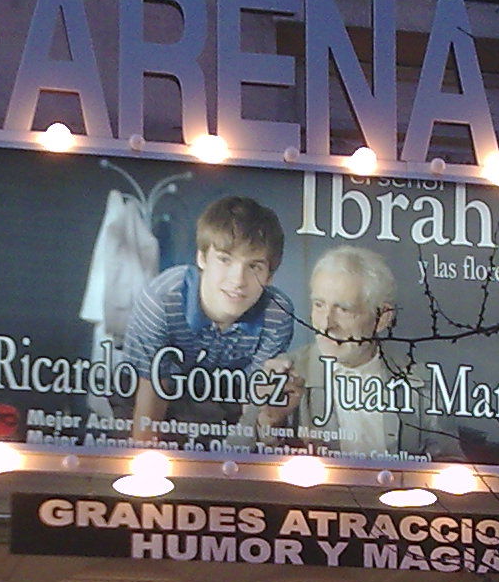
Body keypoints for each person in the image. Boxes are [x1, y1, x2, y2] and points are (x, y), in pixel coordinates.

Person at [122, 195, 298, 444]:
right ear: (202, 258)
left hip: (221, 413)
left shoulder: (276, 317)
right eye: (225, 259)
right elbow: (148, 407)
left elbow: (252, 412)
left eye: (254, 266)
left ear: (270, 276)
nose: (238, 280)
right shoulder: (162, 300)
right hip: (146, 395)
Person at [281, 246, 422, 455]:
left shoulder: (418, 380)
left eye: (344, 309)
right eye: (319, 305)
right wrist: (268, 423)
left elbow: (449, 461)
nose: (325, 324)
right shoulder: (284, 375)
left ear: (382, 318)